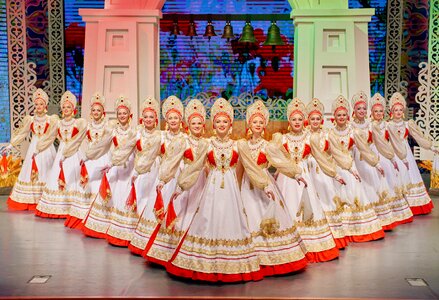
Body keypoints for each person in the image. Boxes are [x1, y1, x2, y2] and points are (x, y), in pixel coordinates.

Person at [165, 97, 265, 282]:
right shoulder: (207, 144)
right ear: (213, 124)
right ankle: (205, 264)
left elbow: (252, 167)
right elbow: (194, 167)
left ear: (231, 124)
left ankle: (233, 264)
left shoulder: (239, 145)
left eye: (225, 121)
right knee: (207, 221)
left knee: (232, 222)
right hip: (211, 190)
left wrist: (265, 186)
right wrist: (181, 186)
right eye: (218, 121)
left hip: (231, 193)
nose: (221, 124)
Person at [237, 100, 308, 273]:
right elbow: (239, 169)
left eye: (261, 122)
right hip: (248, 187)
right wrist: (235, 189)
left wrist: (297, 174)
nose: (258, 125)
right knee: (249, 217)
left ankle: (273, 256)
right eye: (255, 122)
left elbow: (282, 163)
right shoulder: (243, 145)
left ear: (265, 125)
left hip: (266, 186)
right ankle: (249, 256)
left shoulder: (268, 146)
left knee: (267, 218)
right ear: (249, 123)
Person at [143, 98, 209, 265]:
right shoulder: (183, 141)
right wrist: (163, 180)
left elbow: (208, 164)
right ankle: (170, 250)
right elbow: (171, 161)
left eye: (199, 123)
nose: (196, 126)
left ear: (203, 125)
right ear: (188, 124)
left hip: (201, 181)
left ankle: (195, 251)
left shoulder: (206, 143)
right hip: (184, 180)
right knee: (181, 212)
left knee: (198, 213)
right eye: (193, 123)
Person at [275, 98, 339, 263]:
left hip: (305, 177)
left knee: (309, 208)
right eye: (293, 119)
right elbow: (278, 160)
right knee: (287, 208)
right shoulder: (282, 139)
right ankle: (289, 248)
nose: (297, 122)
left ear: (303, 121)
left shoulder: (310, 138)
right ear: (289, 121)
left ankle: (310, 245)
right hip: (287, 179)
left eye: (299, 119)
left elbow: (322, 159)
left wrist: (335, 174)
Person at [128, 95, 186, 254]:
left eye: (176, 118)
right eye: (170, 118)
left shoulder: (185, 139)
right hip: (162, 177)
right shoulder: (160, 137)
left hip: (176, 177)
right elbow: (148, 155)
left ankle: (170, 247)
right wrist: (137, 171)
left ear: (180, 120)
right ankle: (152, 244)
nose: (173, 121)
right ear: (166, 120)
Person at [327, 95, 385, 242]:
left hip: (350, 167)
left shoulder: (353, 132)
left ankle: (357, 228)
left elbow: (365, 150)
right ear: (334, 116)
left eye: (344, 115)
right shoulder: (329, 133)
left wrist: (376, 164)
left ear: (348, 116)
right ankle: (340, 230)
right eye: (338, 115)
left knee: (355, 194)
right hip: (336, 169)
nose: (341, 117)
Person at [82, 95, 137, 246]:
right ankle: (108, 227)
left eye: (124, 113)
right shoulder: (112, 130)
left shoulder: (134, 132)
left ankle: (125, 231)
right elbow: (101, 146)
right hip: (114, 168)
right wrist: (88, 157)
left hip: (128, 169)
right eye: (119, 114)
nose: (122, 116)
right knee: (112, 196)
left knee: (124, 197)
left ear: (129, 115)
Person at [305, 98, 349, 249]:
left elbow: (336, 154)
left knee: (327, 201)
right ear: (308, 120)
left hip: (323, 174)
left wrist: (343, 170)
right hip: (308, 173)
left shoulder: (328, 135)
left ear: (322, 120)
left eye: (318, 119)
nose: (315, 121)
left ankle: (333, 236)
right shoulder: (304, 135)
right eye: (312, 119)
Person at [65, 93, 113, 229]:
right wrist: (65, 154)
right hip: (90, 159)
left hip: (102, 158)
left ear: (102, 112)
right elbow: (76, 140)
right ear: (90, 112)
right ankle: (83, 217)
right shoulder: (87, 126)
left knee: (100, 187)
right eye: (93, 110)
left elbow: (107, 144)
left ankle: (99, 219)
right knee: (87, 186)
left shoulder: (108, 126)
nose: (96, 112)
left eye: (98, 110)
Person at [36, 91, 87, 218]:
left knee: (73, 177)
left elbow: (81, 138)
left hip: (74, 152)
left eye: (68, 107)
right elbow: (49, 138)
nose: (66, 109)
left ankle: (74, 206)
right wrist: (38, 149)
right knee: (58, 175)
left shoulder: (78, 123)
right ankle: (58, 206)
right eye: (64, 107)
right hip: (61, 152)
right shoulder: (57, 123)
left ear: (74, 108)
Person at [350, 91, 396, 230]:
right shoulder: (350, 125)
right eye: (359, 108)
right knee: (358, 187)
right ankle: (361, 219)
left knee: (373, 184)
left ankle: (378, 219)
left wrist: (391, 157)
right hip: (355, 158)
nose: (362, 111)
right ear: (354, 110)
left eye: (364, 108)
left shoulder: (371, 125)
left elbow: (380, 142)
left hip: (369, 158)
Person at [6, 88, 58, 211]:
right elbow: (22, 134)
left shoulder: (51, 119)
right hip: (33, 148)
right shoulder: (30, 119)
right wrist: (11, 144)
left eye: (41, 104)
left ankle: (46, 200)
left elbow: (58, 133)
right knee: (31, 172)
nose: (39, 106)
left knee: (46, 171)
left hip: (46, 149)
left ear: (45, 105)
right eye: (36, 104)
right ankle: (32, 200)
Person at [386, 92, 438, 215]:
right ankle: (398, 205)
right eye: (395, 110)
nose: (398, 112)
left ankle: (412, 204)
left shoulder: (408, 124)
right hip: (393, 153)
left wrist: (431, 148)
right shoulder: (388, 125)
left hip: (405, 153)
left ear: (403, 111)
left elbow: (419, 138)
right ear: (391, 111)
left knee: (410, 175)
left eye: (400, 110)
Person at [369, 93, 413, 225]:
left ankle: (392, 210)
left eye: (381, 111)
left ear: (384, 112)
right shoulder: (369, 125)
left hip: (386, 153)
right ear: (372, 112)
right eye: (376, 111)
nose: (378, 113)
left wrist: (401, 158)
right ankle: (376, 209)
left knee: (390, 176)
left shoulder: (388, 125)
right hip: (372, 153)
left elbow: (396, 142)